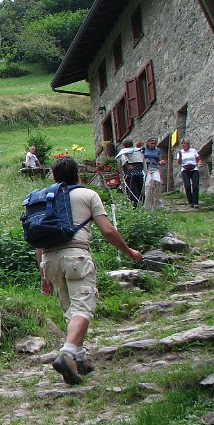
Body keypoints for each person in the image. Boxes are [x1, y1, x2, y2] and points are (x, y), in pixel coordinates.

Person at [36, 157, 144, 385]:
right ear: (78, 175)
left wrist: (43, 274)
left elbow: (39, 238)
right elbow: (108, 231)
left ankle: (80, 360)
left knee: (70, 311)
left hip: (49, 259)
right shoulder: (87, 195)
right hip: (76, 256)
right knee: (82, 309)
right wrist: (129, 251)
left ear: (54, 177)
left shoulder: (46, 197)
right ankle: (66, 354)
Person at [115, 139, 145, 208]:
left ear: (124, 145)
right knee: (140, 189)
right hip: (140, 173)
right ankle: (142, 202)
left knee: (132, 190)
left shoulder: (124, 152)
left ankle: (135, 205)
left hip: (130, 174)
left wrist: (126, 165)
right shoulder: (139, 151)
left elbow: (123, 159)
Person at [175, 138, 202, 208]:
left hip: (194, 169)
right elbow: (179, 162)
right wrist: (180, 155)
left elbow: (198, 159)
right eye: (182, 144)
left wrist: (200, 162)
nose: (183, 145)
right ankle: (190, 201)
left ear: (188, 145)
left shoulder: (193, 151)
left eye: (185, 143)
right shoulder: (180, 152)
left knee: (195, 185)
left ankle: (195, 202)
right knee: (187, 186)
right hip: (185, 170)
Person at [143, 137, 162, 212]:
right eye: (151, 143)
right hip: (147, 169)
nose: (153, 145)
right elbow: (141, 158)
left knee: (157, 184)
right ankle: (147, 203)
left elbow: (159, 159)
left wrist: (160, 162)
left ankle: (158, 202)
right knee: (147, 185)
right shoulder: (144, 150)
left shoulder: (157, 150)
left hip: (155, 168)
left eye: (154, 143)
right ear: (148, 143)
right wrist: (144, 160)